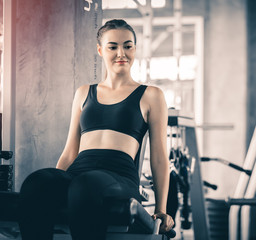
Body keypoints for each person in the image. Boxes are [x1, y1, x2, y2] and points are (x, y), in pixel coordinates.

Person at [18, 19, 174, 240]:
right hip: (79, 175)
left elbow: (159, 157)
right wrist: (57, 183)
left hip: (119, 178)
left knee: (86, 185)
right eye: (113, 47)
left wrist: (161, 209)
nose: (121, 53)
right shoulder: (84, 93)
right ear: (100, 50)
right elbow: (70, 151)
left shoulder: (151, 95)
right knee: (37, 183)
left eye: (128, 46)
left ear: (135, 49)